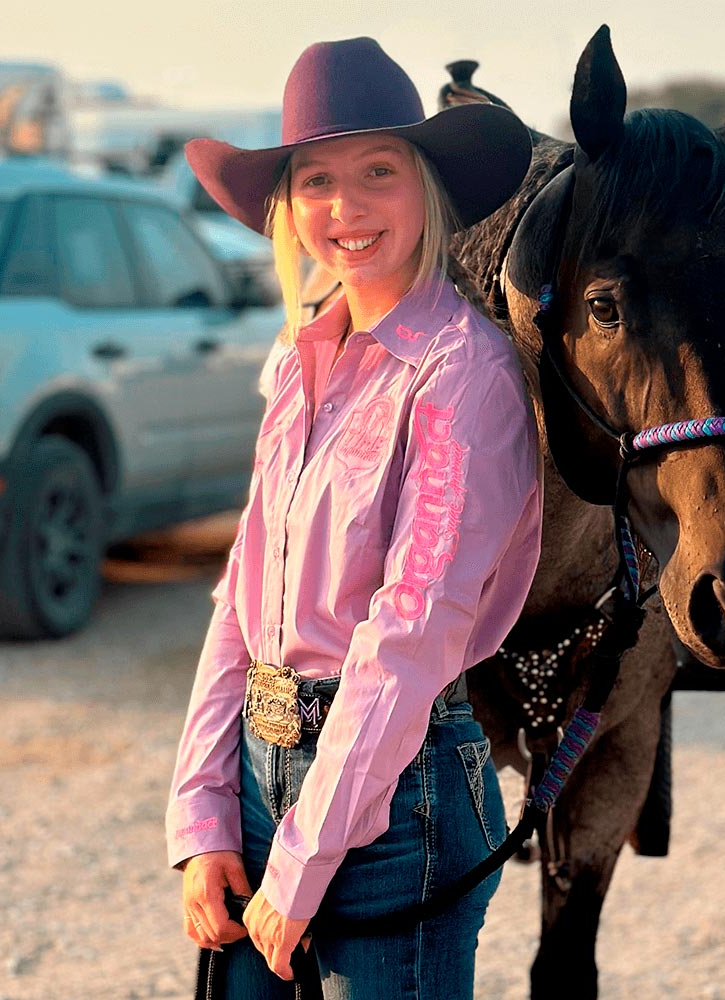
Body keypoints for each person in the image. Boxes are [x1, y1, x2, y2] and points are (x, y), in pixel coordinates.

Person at [166, 36, 541, 999]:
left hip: (400, 807)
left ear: (427, 188)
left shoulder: (463, 373)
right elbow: (241, 598)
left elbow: (413, 633)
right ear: (290, 209)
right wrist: (204, 814)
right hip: (258, 779)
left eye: (379, 171)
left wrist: (306, 858)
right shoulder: (299, 358)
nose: (347, 207)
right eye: (317, 181)